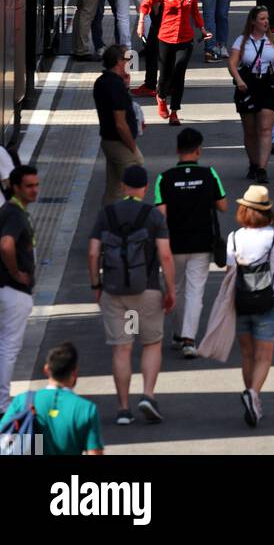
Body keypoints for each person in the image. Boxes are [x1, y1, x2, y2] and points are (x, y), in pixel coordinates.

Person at [87, 163, 175, 426]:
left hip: (114, 291)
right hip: (146, 289)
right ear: (145, 188)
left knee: (122, 350)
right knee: (151, 343)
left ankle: (123, 409)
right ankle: (147, 395)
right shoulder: (153, 216)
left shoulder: (107, 214)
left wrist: (96, 285)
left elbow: (93, 253)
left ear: (123, 186)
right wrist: (170, 290)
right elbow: (166, 255)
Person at [154, 128, 227, 359]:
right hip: (202, 242)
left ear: (177, 150)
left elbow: (160, 214)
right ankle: (188, 339)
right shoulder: (209, 174)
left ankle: (177, 333)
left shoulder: (163, 178)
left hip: (174, 243)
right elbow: (223, 205)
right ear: (199, 150)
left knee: (174, 288)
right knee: (196, 290)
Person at [225, 185, 274, 428]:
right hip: (267, 299)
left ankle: (251, 395)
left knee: (247, 353)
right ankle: (253, 394)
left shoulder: (234, 237)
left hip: (241, 300)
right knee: (264, 355)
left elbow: (230, 271)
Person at [137, 0, 210, 124]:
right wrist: (141, 22)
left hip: (185, 38)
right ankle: (161, 98)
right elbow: (146, 3)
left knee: (179, 72)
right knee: (165, 75)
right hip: (166, 37)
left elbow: (195, 13)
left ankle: (175, 111)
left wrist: (203, 29)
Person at [0, 341, 104, 455]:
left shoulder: (22, 400)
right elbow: (95, 452)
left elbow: (3, 435)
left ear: (46, 369)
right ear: (74, 372)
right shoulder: (86, 409)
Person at [228, 4, 274, 183]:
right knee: (250, 130)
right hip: (248, 83)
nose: (266, 22)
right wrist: (239, 80)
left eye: (267, 19)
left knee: (265, 128)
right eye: (262, 19)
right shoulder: (242, 40)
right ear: (253, 21)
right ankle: (253, 164)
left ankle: (262, 168)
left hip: (268, 83)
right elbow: (232, 63)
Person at [0, 165, 39, 413]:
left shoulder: (7, 210)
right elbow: (6, 245)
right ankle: (2, 402)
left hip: (5, 288)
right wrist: (16, 273)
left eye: (36, 185)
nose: (34, 190)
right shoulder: (14, 213)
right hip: (13, 290)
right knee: (9, 347)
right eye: (29, 186)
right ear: (15, 188)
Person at [94, 43, 143, 205]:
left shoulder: (102, 81)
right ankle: (127, 222)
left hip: (108, 140)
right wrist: (132, 147)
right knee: (134, 184)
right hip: (119, 143)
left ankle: (106, 220)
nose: (129, 62)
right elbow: (120, 124)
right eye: (126, 59)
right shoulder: (115, 86)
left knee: (114, 188)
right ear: (118, 61)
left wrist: (126, 83)